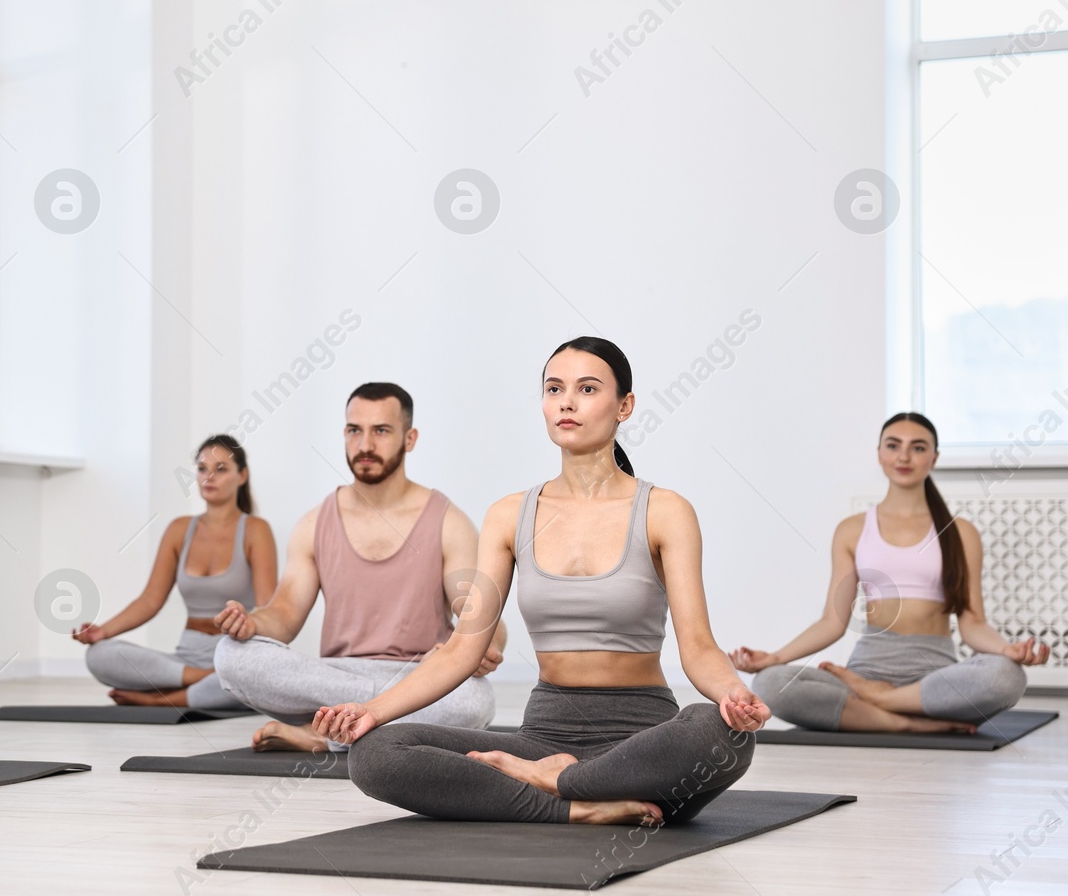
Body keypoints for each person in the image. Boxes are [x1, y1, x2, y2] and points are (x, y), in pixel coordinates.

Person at [315, 340, 766, 826]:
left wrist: (733, 694)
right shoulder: (509, 515)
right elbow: (461, 650)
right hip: (542, 736)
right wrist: (371, 711)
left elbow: (698, 647)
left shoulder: (666, 511)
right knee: (376, 751)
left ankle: (555, 783)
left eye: (587, 388)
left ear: (624, 406)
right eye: (554, 389)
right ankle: (577, 805)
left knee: (717, 733)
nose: (567, 402)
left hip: (641, 742)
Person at [212, 382, 505, 753]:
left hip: (418, 678)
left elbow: (477, 614)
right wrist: (251, 623)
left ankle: (327, 731)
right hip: (334, 676)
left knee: (474, 700)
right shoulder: (313, 523)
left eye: (381, 431)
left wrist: (484, 644)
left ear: (410, 438)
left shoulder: (449, 522)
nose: (365, 445)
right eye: (355, 430)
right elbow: (284, 613)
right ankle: (369, 721)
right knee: (230, 655)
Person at [732, 412, 1045, 733]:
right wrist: (774, 658)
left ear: (934, 458)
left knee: (1007, 676)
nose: (905, 456)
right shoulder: (852, 530)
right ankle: (906, 722)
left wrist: (1007, 651)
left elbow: (972, 622)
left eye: (918, 448)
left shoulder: (960, 532)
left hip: (935, 681)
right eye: (894, 445)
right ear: (880, 454)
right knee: (771, 683)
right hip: (864, 673)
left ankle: (884, 704)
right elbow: (832, 621)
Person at [73, 435, 276, 708]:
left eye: (221, 469)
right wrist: (103, 632)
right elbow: (149, 600)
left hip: (234, 651)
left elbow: (267, 609)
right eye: (202, 468)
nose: (209, 477)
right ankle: (204, 680)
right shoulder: (179, 530)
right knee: (98, 656)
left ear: (242, 476)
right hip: (185, 658)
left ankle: (166, 698)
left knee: (257, 674)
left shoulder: (255, 530)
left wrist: (249, 660)